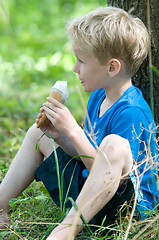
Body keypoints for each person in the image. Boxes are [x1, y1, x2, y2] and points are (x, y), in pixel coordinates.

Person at [0, 6, 159, 240]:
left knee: (114, 145)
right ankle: (1, 206)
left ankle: (65, 231)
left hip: (124, 210)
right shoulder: (98, 97)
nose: (75, 69)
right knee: (39, 133)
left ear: (112, 67)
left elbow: (111, 178)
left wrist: (74, 131)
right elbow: (91, 163)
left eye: (81, 61)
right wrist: (61, 136)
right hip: (91, 195)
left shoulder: (132, 112)